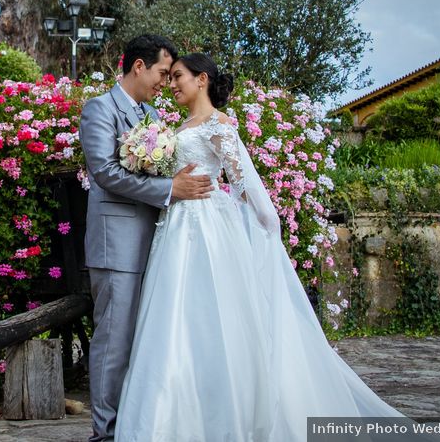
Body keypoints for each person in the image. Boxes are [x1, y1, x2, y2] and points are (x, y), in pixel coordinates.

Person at [114, 53, 404, 441]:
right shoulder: (180, 127)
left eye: (178, 76)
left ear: (201, 80)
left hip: (205, 230)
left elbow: (243, 182)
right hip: (175, 228)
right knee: (173, 313)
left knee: (206, 313)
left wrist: (266, 229)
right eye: (170, 78)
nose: (172, 84)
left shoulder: (218, 126)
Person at [79, 35, 215, 442]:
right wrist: (169, 190)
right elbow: (105, 171)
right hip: (116, 245)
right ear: (138, 66)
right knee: (114, 344)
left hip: (157, 242)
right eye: (161, 73)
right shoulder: (100, 110)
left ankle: (135, 428)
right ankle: (104, 434)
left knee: (146, 344)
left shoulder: (153, 114)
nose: (164, 83)